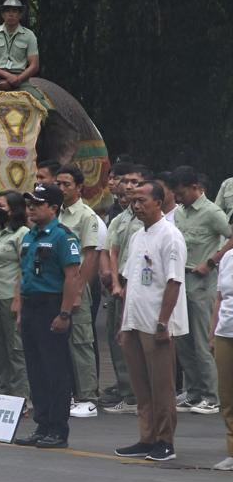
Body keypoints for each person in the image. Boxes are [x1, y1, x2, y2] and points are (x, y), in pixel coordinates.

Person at [113, 181, 188, 462]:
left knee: (161, 385)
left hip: (157, 322)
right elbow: (131, 282)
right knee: (141, 385)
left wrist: (163, 323)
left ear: (159, 202)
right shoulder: (137, 236)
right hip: (134, 319)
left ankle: (165, 441)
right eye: (134, 202)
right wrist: (124, 323)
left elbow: (174, 282)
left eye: (142, 200)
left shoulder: (170, 236)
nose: (136, 206)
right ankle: (147, 437)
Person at [14, 183, 82, 450]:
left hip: (52, 305)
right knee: (36, 369)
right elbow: (25, 274)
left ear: (53, 208)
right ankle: (42, 424)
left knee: (55, 369)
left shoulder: (63, 237)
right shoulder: (30, 236)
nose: (31, 207)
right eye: (29, 203)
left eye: (37, 203)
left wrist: (64, 313)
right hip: (31, 306)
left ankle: (58, 428)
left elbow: (72, 277)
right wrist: (20, 309)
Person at [172, 166, 227, 414]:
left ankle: (212, 395)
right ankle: (193, 392)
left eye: (182, 192)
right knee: (183, 339)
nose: (178, 197)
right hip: (181, 279)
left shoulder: (211, 212)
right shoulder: (180, 213)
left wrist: (212, 261)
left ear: (195, 187)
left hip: (202, 280)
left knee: (203, 340)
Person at [101, 164, 150, 413]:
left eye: (135, 181)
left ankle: (139, 395)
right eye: (127, 181)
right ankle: (127, 392)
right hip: (121, 285)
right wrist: (114, 280)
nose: (129, 186)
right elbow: (112, 249)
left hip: (143, 285)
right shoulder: (121, 217)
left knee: (141, 341)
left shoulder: (151, 217)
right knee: (117, 338)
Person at [55, 163, 101, 417]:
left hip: (76, 285)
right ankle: (68, 393)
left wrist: (80, 289)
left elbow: (90, 255)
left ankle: (88, 396)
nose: (61, 189)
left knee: (81, 341)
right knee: (59, 341)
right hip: (56, 286)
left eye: (67, 184)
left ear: (79, 187)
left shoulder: (86, 216)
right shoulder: (55, 213)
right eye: (58, 184)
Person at [0, 191, 30, 403]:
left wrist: (17, 298)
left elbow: (24, 267)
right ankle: (2, 392)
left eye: (1, 206)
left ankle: (22, 395)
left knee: (16, 348)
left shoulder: (21, 234)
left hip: (10, 297)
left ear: (14, 209)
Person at [210, 242, 233, 470]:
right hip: (226, 331)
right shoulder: (227, 258)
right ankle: (232, 451)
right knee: (227, 396)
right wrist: (212, 332)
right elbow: (219, 297)